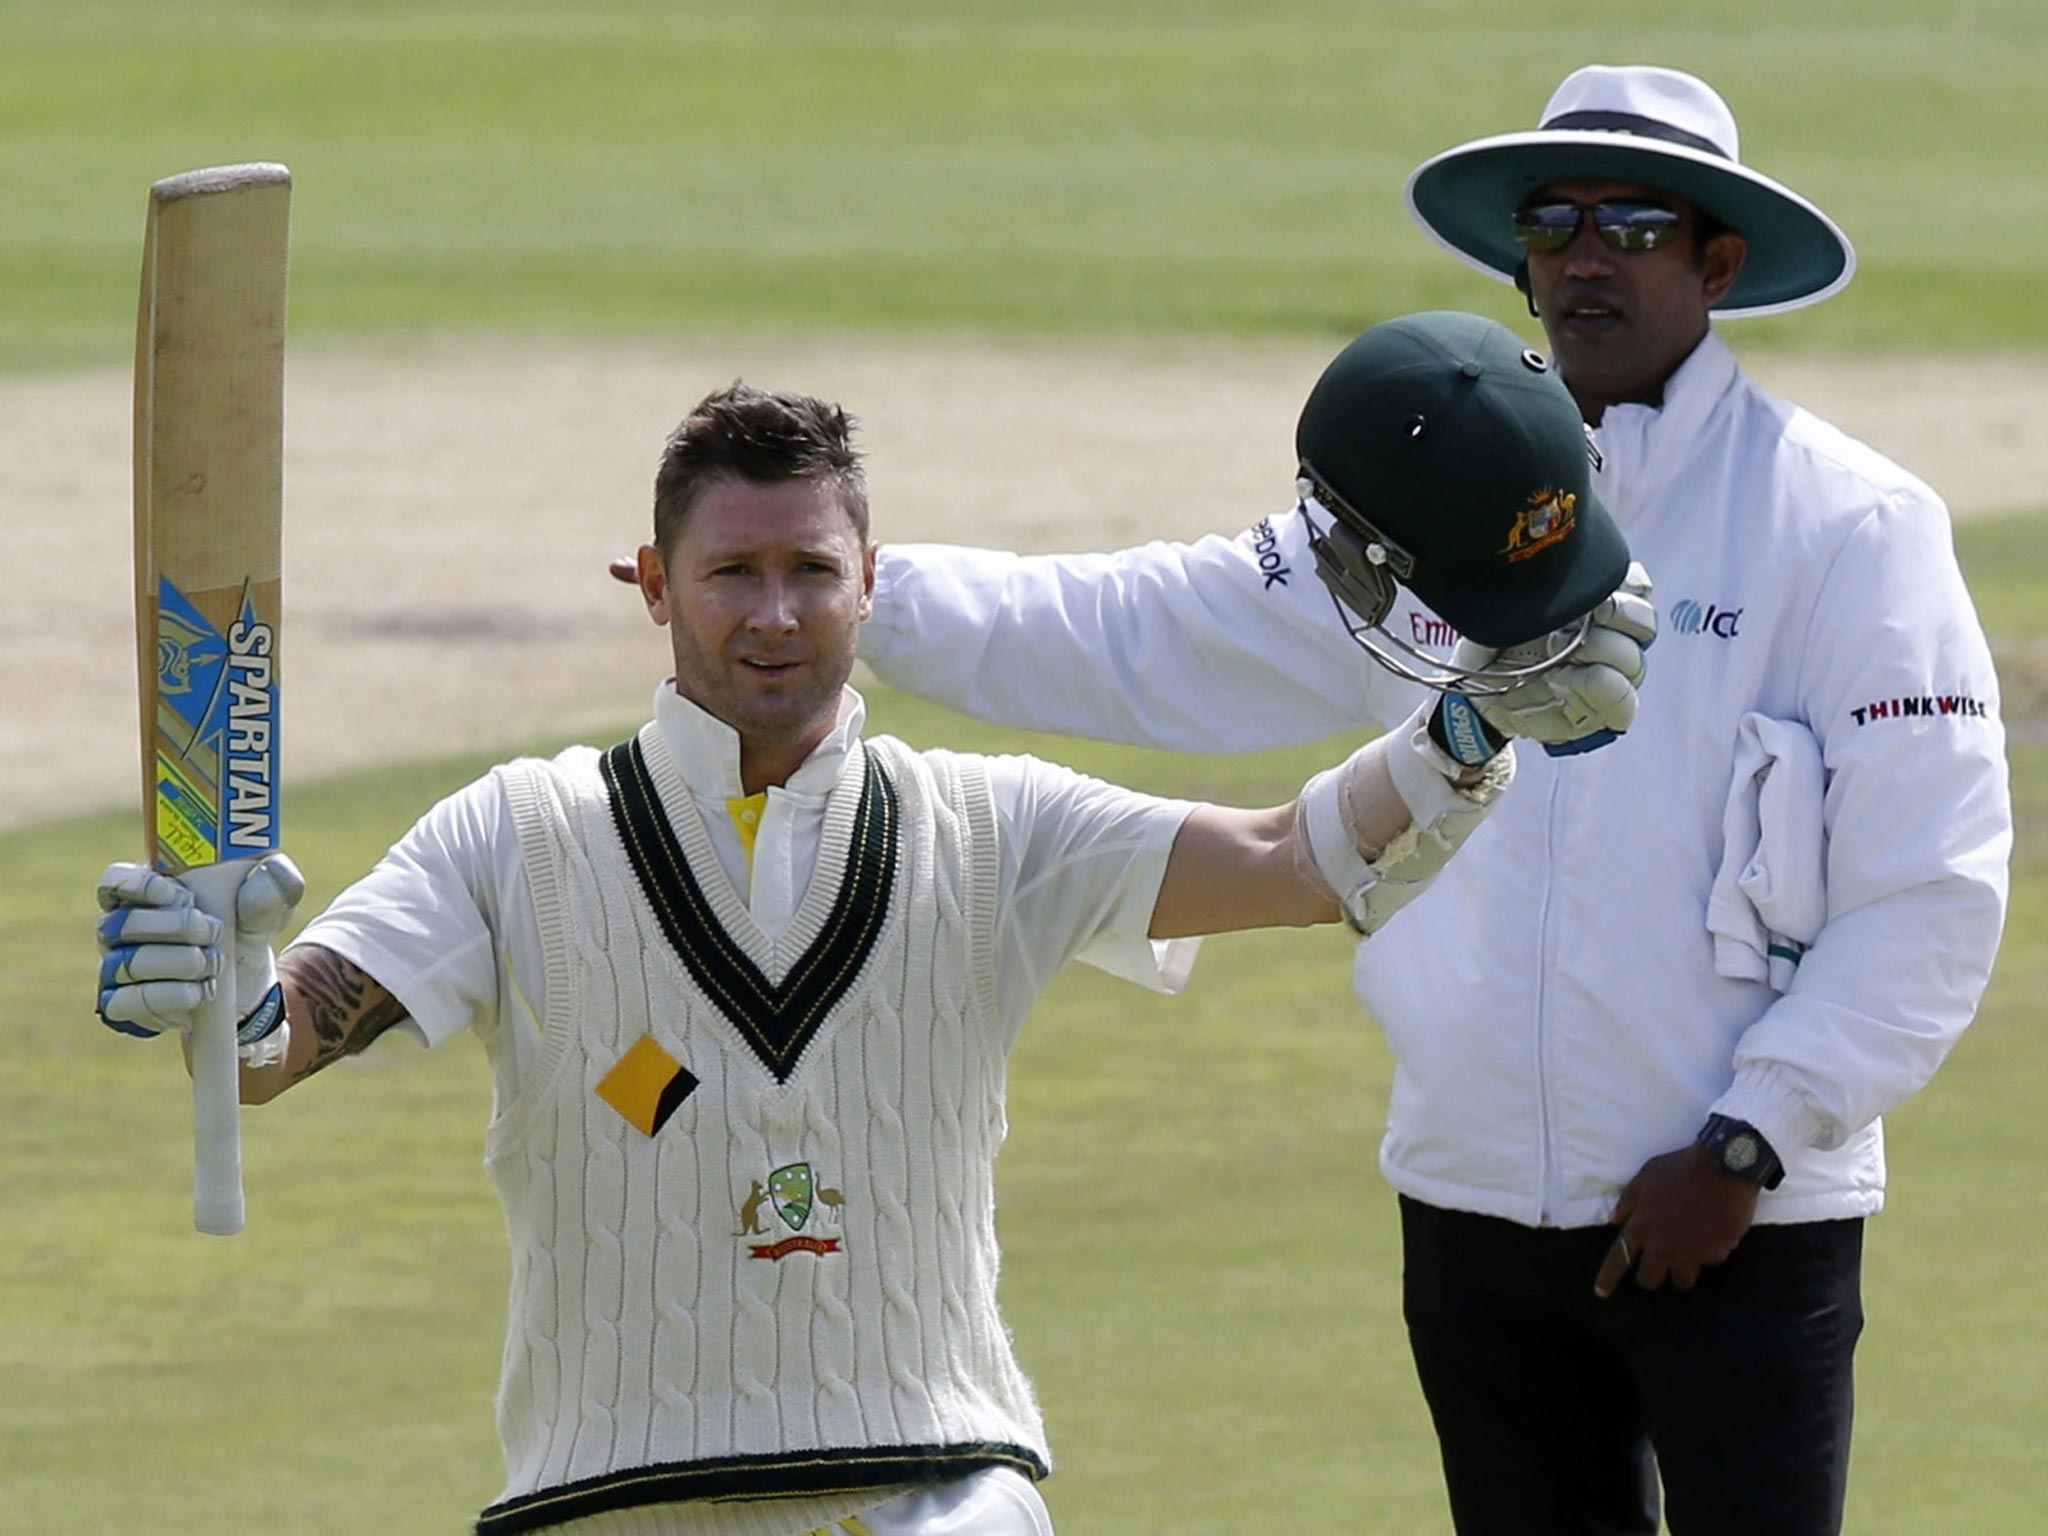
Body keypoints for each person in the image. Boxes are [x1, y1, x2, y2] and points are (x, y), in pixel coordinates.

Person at [93, 332, 1649, 1536]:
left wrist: (1459, 738)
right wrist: (222, 1000)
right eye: (731, 575)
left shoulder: (984, 823)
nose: (772, 615)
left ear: (870, 586)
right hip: (619, 1495)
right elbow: (290, 1033)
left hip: (940, 1485)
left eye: (809, 574)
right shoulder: (520, 831)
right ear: (654, 588)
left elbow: (1292, 860)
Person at [833, 65, 2012, 1536]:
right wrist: (845, 598)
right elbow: (1138, 627)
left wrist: (1748, 1143)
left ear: (1717, 261)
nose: (1587, 253)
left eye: (1634, 222)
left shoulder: (1850, 521)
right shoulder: (1418, 497)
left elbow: (1934, 888)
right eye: (1555, 220)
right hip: (1471, 1207)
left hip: (1745, 1221)